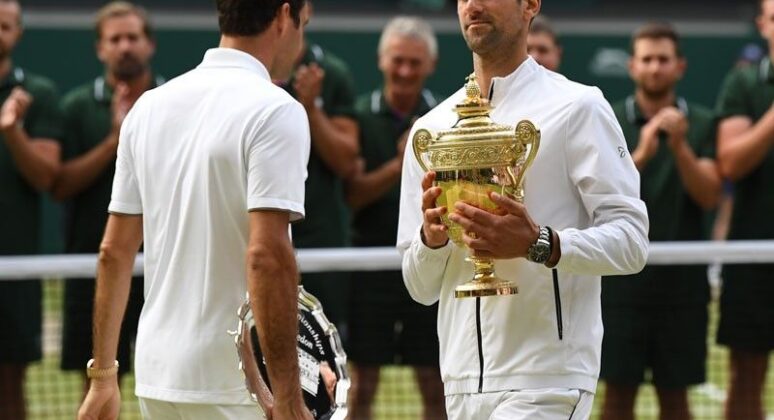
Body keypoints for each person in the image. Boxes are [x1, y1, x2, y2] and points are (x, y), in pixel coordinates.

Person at [397, 0, 649, 418]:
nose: (473, 5)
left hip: (548, 380)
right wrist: (432, 240)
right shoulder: (431, 130)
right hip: (460, 384)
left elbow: (632, 242)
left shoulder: (579, 106)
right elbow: (419, 288)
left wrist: (540, 243)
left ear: (530, 5)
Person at [76, 0, 313, 418]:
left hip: (157, 377)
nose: (302, 40)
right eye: (304, 24)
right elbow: (266, 257)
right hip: (236, 386)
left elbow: (113, 252)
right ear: (282, 16)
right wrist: (289, 398)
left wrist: (104, 377)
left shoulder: (147, 108)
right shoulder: (277, 110)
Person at [600, 23, 721, 420]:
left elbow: (710, 195)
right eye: (647, 59)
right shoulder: (608, 119)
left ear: (680, 66)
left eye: (663, 59)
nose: (655, 68)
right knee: (617, 398)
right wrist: (644, 151)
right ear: (632, 66)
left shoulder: (703, 121)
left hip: (682, 287)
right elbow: (599, 196)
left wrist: (680, 146)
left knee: (676, 400)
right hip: (618, 284)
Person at [53, 1, 161, 390]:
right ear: (100, 48)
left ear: (149, 44)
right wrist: (115, 141)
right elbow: (60, 185)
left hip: (163, 264)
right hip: (94, 265)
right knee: (97, 381)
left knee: (167, 379)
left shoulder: (175, 102)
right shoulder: (76, 107)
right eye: (115, 40)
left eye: (133, 37)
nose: (125, 46)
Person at [346, 16, 445, 420]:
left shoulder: (446, 118)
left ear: (430, 65)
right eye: (397, 60)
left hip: (431, 266)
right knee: (361, 389)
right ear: (381, 60)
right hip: (369, 274)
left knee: (435, 385)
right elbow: (352, 196)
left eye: (414, 62)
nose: (405, 71)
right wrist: (401, 162)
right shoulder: (358, 116)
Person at [279, 1, 359, 331]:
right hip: (257, 232)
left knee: (325, 345)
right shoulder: (249, 72)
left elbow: (346, 161)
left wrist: (310, 109)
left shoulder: (332, 73)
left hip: (320, 238)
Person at [0, 1, 62, 418]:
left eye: (5, 26)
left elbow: (46, 178)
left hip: (15, 265)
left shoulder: (37, 93)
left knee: (10, 386)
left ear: (19, 33)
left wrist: (12, 130)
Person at [714, 0, 774, 418]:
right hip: (754, 253)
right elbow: (731, 163)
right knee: (746, 374)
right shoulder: (743, 83)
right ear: (762, 25)